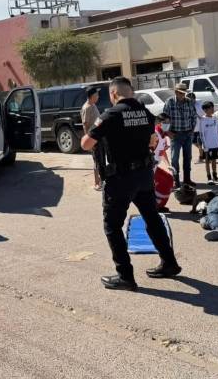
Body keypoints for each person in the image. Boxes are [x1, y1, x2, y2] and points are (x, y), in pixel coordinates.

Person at [81, 77, 181, 291]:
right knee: (152, 219)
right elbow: (154, 139)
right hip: (144, 176)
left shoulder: (111, 114)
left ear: (114, 94)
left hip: (120, 179)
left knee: (112, 226)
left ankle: (125, 276)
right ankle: (170, 263)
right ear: (131, 92)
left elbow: (85, 143)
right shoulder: (145, 112)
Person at [162, 83, 198, 188]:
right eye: (181, 93)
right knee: (174, 159)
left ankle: (187, 180)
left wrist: (192, 130)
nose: (183, 95)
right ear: (176, 92)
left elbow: (194, 116)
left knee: (187, 158)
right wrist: (168, 132)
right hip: (175, 135)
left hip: (187, 134)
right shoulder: (170, 102)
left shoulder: (189, 102)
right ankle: (176, 181)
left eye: (184, 93)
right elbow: (164, 118)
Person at [151, 113, 173, 213]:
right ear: (159, 123)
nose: (167, 124)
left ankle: (159, 205)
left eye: (169, 122)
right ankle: (153, 207)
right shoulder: (155, 135)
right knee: (153, 186)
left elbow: (163, 152)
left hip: (155, 166)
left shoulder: (163, 135)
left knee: (169, 179)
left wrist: (168, 165)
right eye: (165, 123)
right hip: (150, 167)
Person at [80, 87, 102, 190]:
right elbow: (85, 125)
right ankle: (97, 183)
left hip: (98, 137)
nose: (98, 96)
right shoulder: (86, 107)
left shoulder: (93, 105)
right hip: (93, 139)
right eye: (97, 95)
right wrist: (89, 141)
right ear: (92, 96)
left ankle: (101, 180)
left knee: (100, 159)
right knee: (96, 160)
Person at [199, 101, 218, 185]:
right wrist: (205, 145)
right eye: (210, 108)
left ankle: (215, 176)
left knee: (214, 160)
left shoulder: (214, 118)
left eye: (212, 107)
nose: (212, 109)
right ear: (205, 110)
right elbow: (201, 134)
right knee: (207, 161)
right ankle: (209, 178)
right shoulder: (203, 120)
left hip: (215, 144)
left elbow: (217, 131)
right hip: (207, 145)